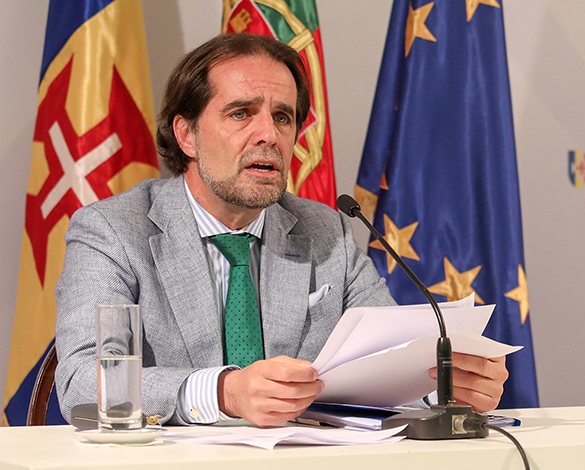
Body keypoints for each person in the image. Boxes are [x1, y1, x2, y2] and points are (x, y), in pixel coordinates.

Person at [54, 33, 508, 427]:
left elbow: (388, 359)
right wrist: (225, 393)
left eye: (283, 117)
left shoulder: (326, 232)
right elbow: (82, 382)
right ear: (186, 135)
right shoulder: (113, 232)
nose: (268, 135)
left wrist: (444, 384)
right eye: (241, 113)